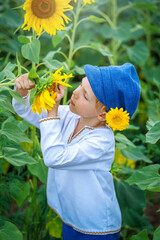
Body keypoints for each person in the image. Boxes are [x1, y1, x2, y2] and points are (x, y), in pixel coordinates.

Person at [12, 63, 141, 240]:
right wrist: (23, 92)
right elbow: (28, 111)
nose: (75, 92)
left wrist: (52, 112)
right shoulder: (71, 116)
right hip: (72, 215)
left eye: (85, 95)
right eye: (81, 84)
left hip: (95, 226)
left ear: (103, 115)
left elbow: (54, 157)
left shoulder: (101, 141)